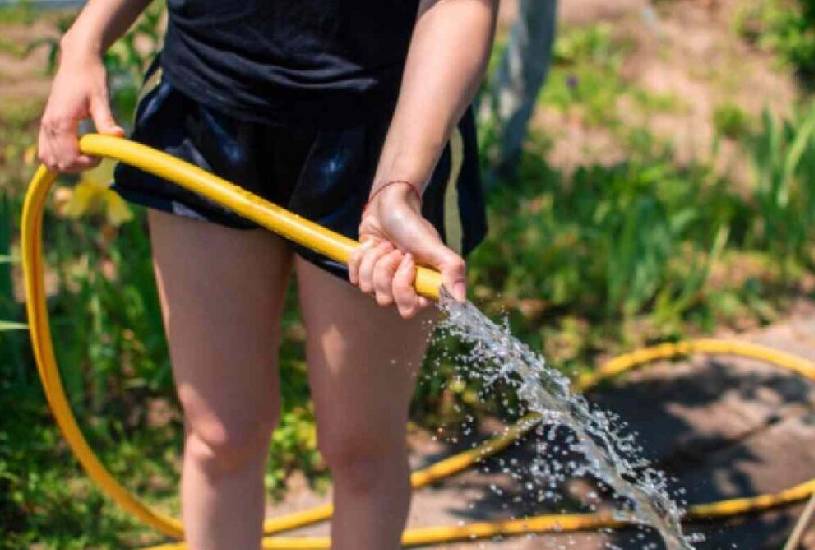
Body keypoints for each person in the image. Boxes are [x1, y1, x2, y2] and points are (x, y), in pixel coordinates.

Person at [37, 1, 497, 548]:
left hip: (385, 133)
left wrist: (400, 184)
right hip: (203, 110)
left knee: (361, 450)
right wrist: (86, 37)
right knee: (219, 436)